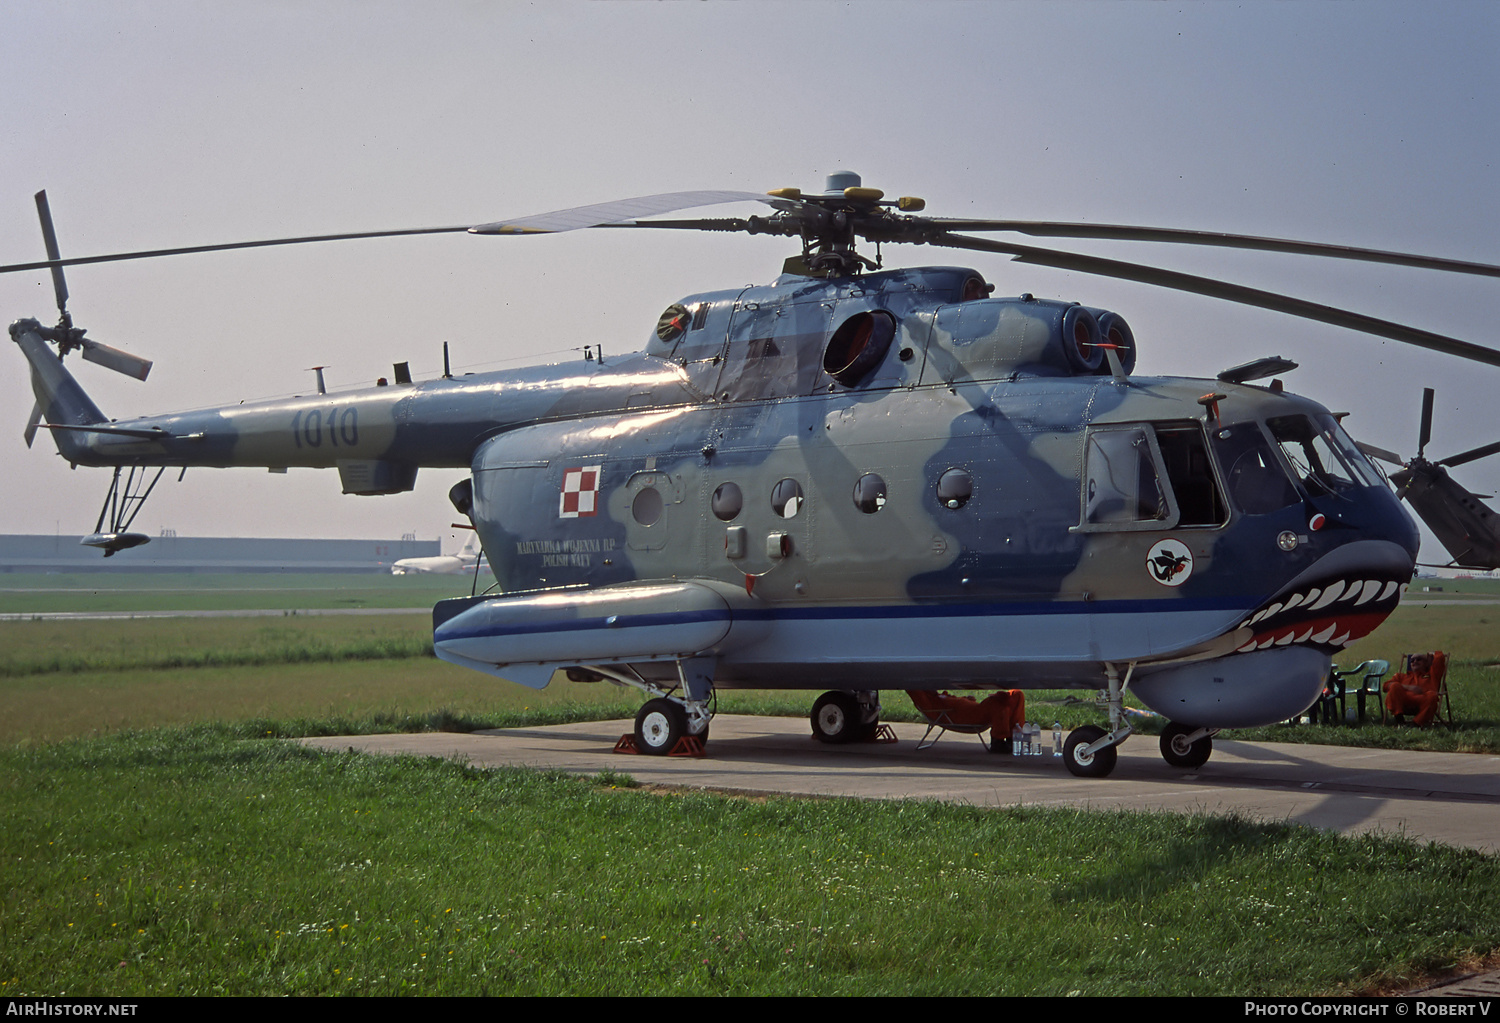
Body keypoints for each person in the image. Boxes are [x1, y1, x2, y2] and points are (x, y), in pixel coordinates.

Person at [1383, 651, 1446, 727]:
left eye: (1419, 659)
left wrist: (1429, 656)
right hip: (1403, 704)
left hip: (1423, 704)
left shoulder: (1432, 675)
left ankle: (1415, 724)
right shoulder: (1402, 677)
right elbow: (1385, 686)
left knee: (1432, 695)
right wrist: (1408, 687)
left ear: (1426, 663)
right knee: (1394, 686)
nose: (1415, 662)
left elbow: (1439, 657)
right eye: (1412, 660)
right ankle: (1400, 721)